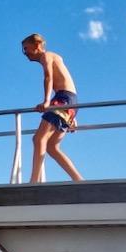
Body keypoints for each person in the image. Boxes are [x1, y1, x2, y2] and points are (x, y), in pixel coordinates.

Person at [21, 33, 83, 182]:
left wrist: (46, 101)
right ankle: (79, 180)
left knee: (38, 138)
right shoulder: (56, 57)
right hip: (69, 101)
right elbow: (67, 83)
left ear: (37, 46)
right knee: (51, 147)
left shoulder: (46, 56)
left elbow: (48, 77)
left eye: (26, 48)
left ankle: (34, 181)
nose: (25, 53)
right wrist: (72, 113)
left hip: (63, 99)